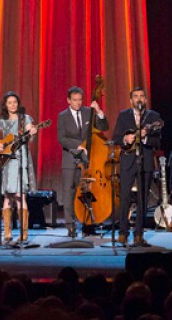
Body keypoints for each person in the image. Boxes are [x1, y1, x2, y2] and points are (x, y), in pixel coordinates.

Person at [0, 91, 39, 242]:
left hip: (20, 160)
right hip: (7, 161)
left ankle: (24, 233)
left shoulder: (25, 119)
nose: (13, 105)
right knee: (8, 195)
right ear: (5, 105)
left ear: (18, 104)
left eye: (15, 102)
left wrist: (32, 132)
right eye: (10, 103)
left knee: (21, 195)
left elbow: (30, 136)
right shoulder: (2, 121)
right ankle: (7, 232)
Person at [111, 86, 163, 247]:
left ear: (145, 100)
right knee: (125, 196)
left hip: (145, 161)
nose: (139, 99)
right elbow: (116, 138)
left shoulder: (153, 116)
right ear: (131, 100)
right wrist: (126, 139)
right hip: (127, 160)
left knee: (142, 199)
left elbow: (158, 142)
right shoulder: (123, 115)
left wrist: (146, 138)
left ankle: (139, 234)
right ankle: (122, 233)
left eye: (142, 96)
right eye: (135, 96)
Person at [57, 86, 109, 238]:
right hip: (70, 159)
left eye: (80, 100)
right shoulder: (63, 116)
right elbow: (62, 139)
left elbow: (104, 127)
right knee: (69, 192)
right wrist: (80, 145)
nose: (78, 103)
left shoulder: (88, 112)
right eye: (74, 100)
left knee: (88, 190)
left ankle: (88, 224)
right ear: (68, 100)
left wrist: (99, 112)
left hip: (88, 160)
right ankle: (70, 226)